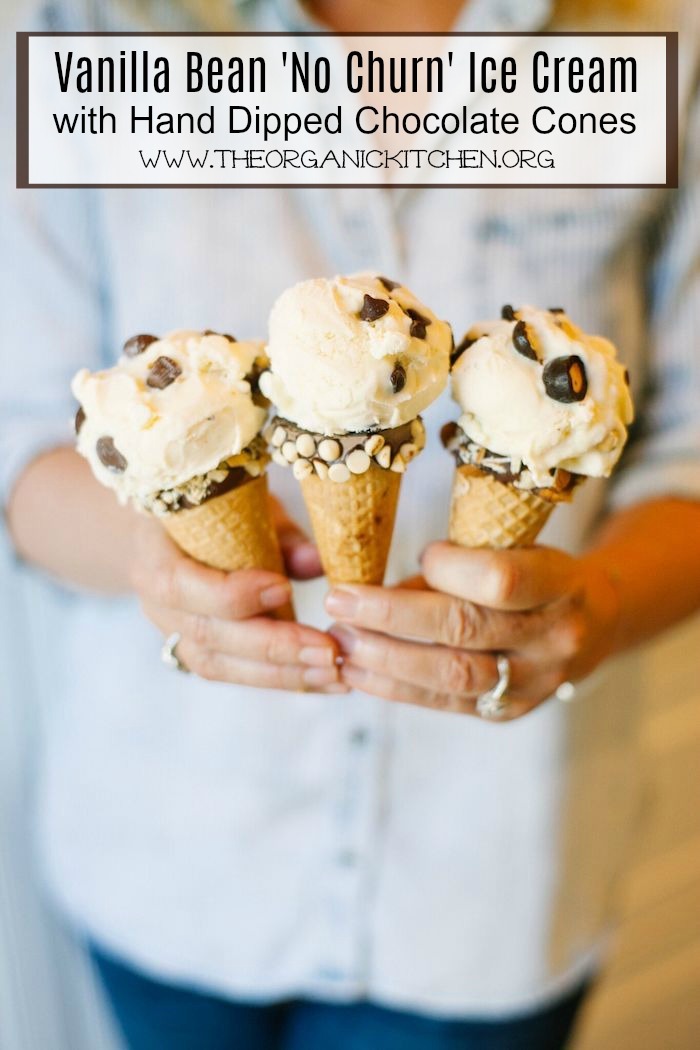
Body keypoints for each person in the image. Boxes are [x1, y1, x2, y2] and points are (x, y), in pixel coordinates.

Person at [3, 0, 700, 1047]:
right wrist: (160, 560)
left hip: (482, 887)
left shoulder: (658, 30)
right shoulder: (88, 22)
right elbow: (21, 451)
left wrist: (594, 610)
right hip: (165, 845)